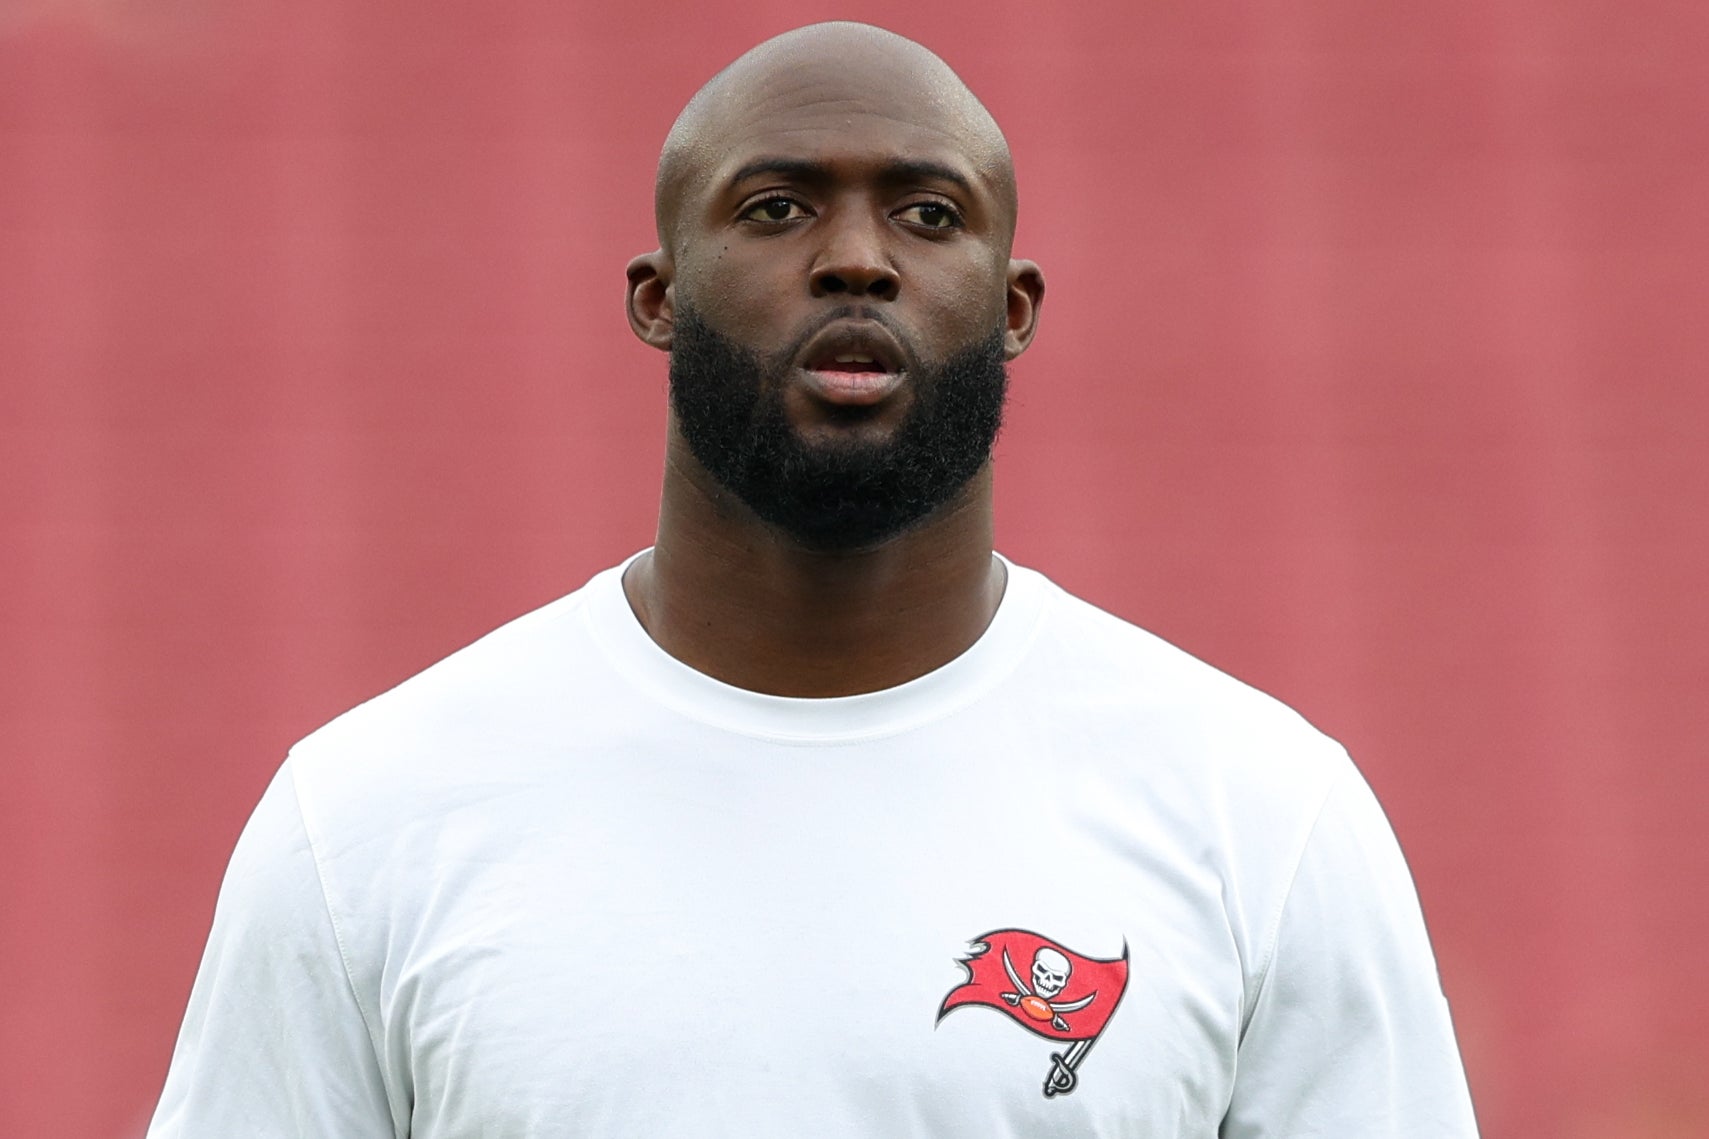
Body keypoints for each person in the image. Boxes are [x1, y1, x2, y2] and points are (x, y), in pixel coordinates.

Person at [149, 21, 1479, 1137]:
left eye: (926, 213)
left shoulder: (1255, 814)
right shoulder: (373, 819)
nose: (856, 256)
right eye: (776, 207)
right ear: (657, 294)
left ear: (1011, 307)